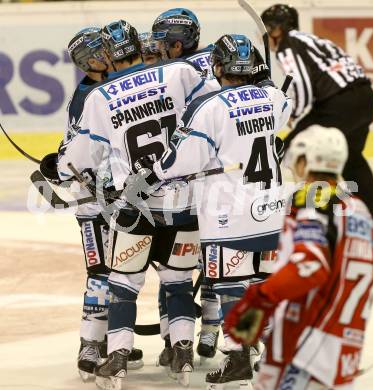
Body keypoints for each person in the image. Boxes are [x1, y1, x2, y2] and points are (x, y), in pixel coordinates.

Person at [57, 19, 217, 389]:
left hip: (132, 207)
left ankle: (113, 355)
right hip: (184, 202)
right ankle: (181, 352)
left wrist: (60, 167)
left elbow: (76, 159)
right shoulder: (179, 72)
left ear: (109, 54)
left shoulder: (98, 97)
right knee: (177, 279)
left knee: (122, 283)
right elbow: (219, 99)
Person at [140, 33, 291, 388]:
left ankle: (238, 358)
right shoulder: (271, 97)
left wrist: (152, 174)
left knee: (230, 286)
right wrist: (265, 81)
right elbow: (282, 111)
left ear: (217, 66)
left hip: (228, 218)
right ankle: (271, 352)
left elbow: (183, 159)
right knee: (261, 283)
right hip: (270, 210)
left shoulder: (209, 106)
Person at [226, 125, 373, 389]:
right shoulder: (361, 209)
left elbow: (311, 265)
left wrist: (260, 299)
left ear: (304, 160)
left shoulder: (312, 198)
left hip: (305, 348)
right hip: (344, 350)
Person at [41, 27, 142, 382]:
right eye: (104, 50)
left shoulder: (103, 88)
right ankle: (89, 342)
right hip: (95, 203)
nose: (112, 52)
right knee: (101, 275)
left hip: (119, 199)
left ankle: (110, 337)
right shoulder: (91, 94)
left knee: (123, 274)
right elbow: (78, 153)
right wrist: (62, 169)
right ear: (93, 59)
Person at [261, 4, 373, 225]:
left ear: (277, 29)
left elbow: (302, 83)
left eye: (268, 28)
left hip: (337, 102)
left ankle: (286, 209)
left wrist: (296, 116)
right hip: (365, 98)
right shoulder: (314, 40)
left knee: (291, 146)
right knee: (352, 160)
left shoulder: (286, 45)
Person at [152, 8, 222, 365]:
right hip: (225, 177)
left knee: (176, 264)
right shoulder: (219, 57)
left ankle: (177, 339)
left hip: (192, 176)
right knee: (217, 259)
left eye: (164, 43)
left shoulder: (181, 72)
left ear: (178, 43)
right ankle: (210, 328)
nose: (159, 49)